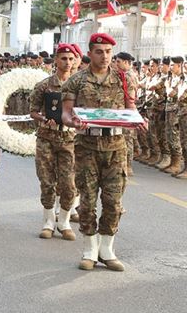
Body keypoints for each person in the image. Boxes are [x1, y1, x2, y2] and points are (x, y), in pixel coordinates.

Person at [61, 33, 144, 272]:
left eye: (108, 52)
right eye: (100, 51)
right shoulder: (76, 81)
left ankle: (107, 249)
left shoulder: (124, 79)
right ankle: (89, 249)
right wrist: (73, 122)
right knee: (87, 201)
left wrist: (139, 120)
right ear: (90, 52)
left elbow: (131, 109)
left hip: (116, 147)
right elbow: (65, 113)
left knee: (113, 202)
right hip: (86, 147)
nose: (105, 56)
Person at [29, 44, 77, 240]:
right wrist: (42, 119)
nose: (67, 63)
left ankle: (64, 221)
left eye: (71, 59)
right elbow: (33, 111)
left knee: (69, 184)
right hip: (47, 138)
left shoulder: (78, 86)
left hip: (69, 139)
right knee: (47, 181)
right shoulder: (44, 85)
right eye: (63, 58)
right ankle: (48, 221)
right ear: (56, 60)